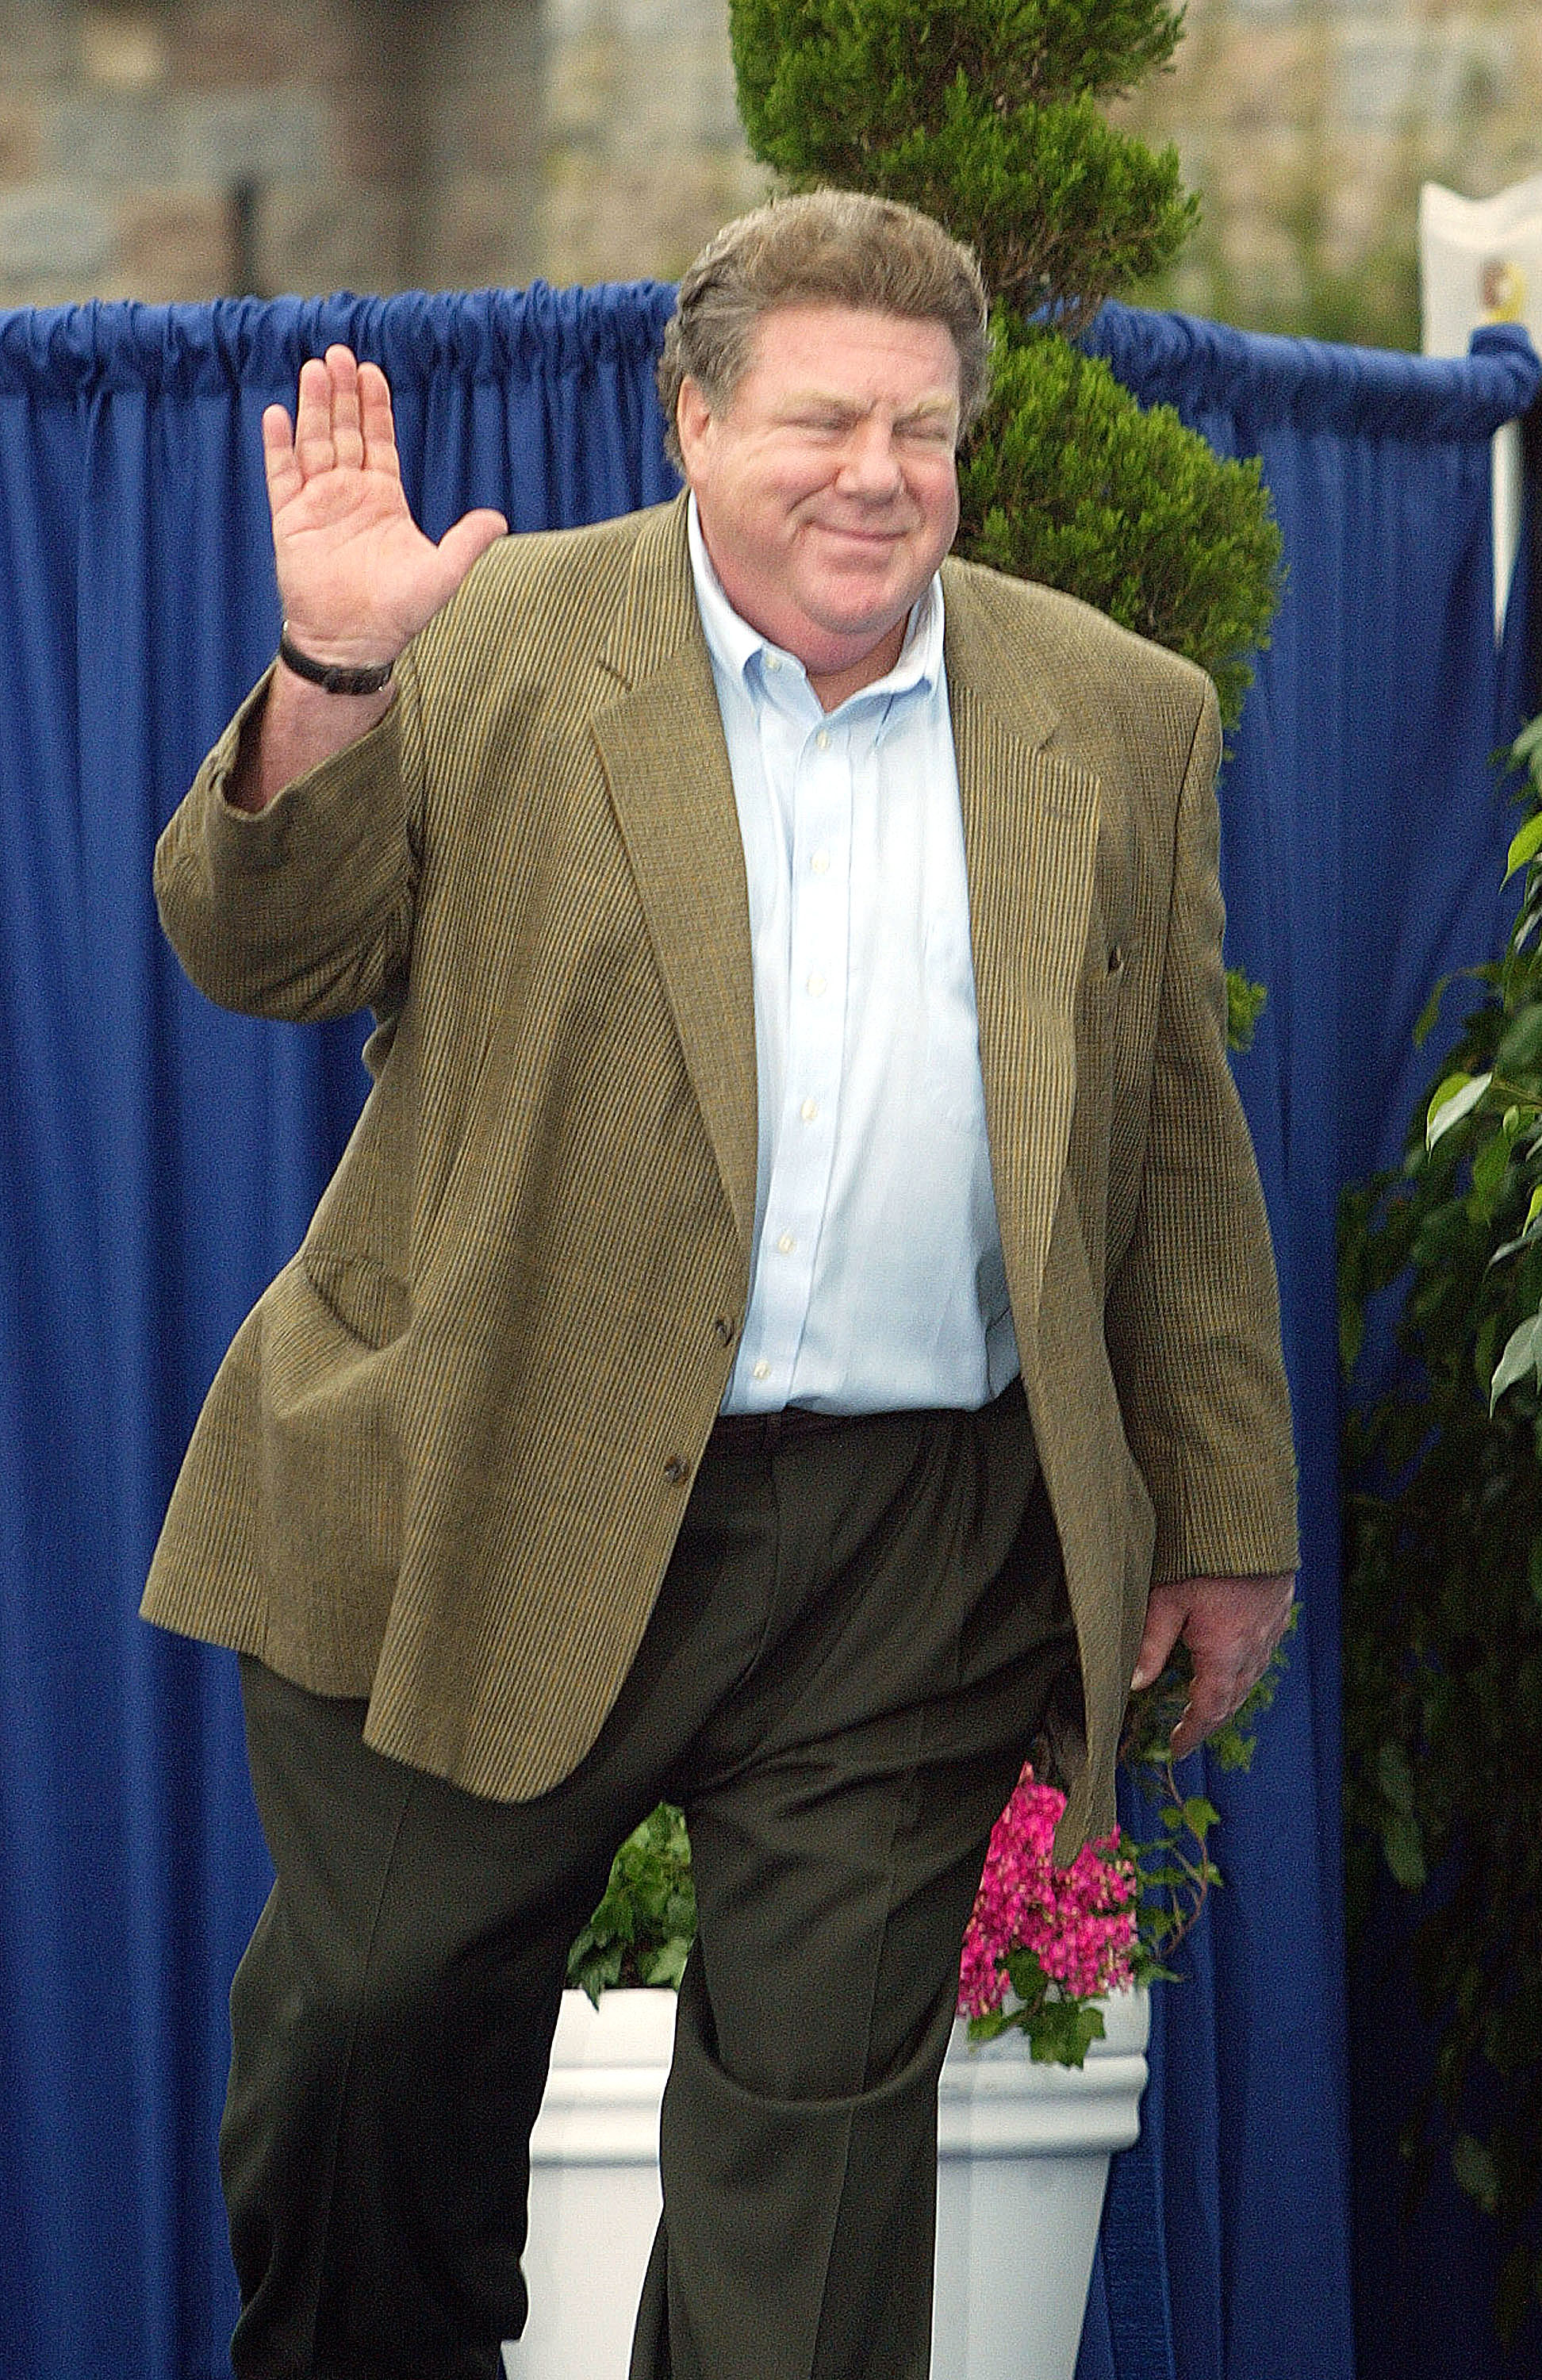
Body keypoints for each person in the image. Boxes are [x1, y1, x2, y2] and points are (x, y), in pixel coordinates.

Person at [146, 189, 1298, 2380]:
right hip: (492, 1474)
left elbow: (1168, 1133)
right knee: (365, 2049)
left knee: (820, 2194)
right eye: (820, 422)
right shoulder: (490, 641)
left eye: (922, 429)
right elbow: (256, 950)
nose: (879, 475)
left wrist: (1223, 1515)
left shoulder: (1116, 714)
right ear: (688, 419)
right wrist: (337, 676)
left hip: (908, 1550)